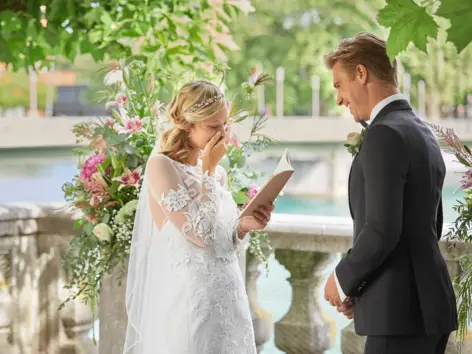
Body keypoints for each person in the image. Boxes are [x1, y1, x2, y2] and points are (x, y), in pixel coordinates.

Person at [323, 32, 457, 354]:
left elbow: (383, 230)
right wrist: (365, 290)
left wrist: (342, 280)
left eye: (339, 85)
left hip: (399, 316)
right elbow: (426, 227)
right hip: (426, 308)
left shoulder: (384, 134)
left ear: (361, 73)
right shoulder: (421, 131)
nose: (339, 98)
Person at [123, 80, 275, 354]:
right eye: (213, 126)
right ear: (186, 124)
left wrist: (242, 227)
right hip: (191, 304)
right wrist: (208, 167)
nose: (223, 133)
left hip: (228, 298)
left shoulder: (218, 174)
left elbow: (221, 240)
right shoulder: (162, 166)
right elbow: (200, 235)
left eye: (225, 124)